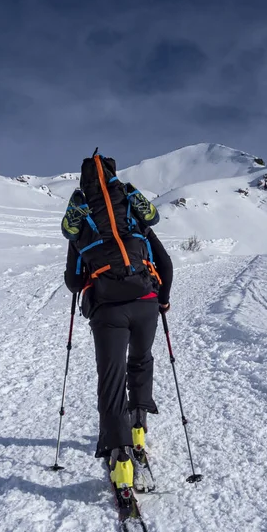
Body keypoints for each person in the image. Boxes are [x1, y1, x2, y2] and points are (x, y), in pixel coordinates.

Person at [63, 153, 173, 490]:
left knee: (111, 380)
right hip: (145, 303)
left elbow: (72, 280)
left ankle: (120, 458)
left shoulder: (81, 222)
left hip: (107, 311)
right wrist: (163, 300)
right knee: (141, 360)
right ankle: (138, 427)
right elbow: (165, 263)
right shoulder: (131, 214)